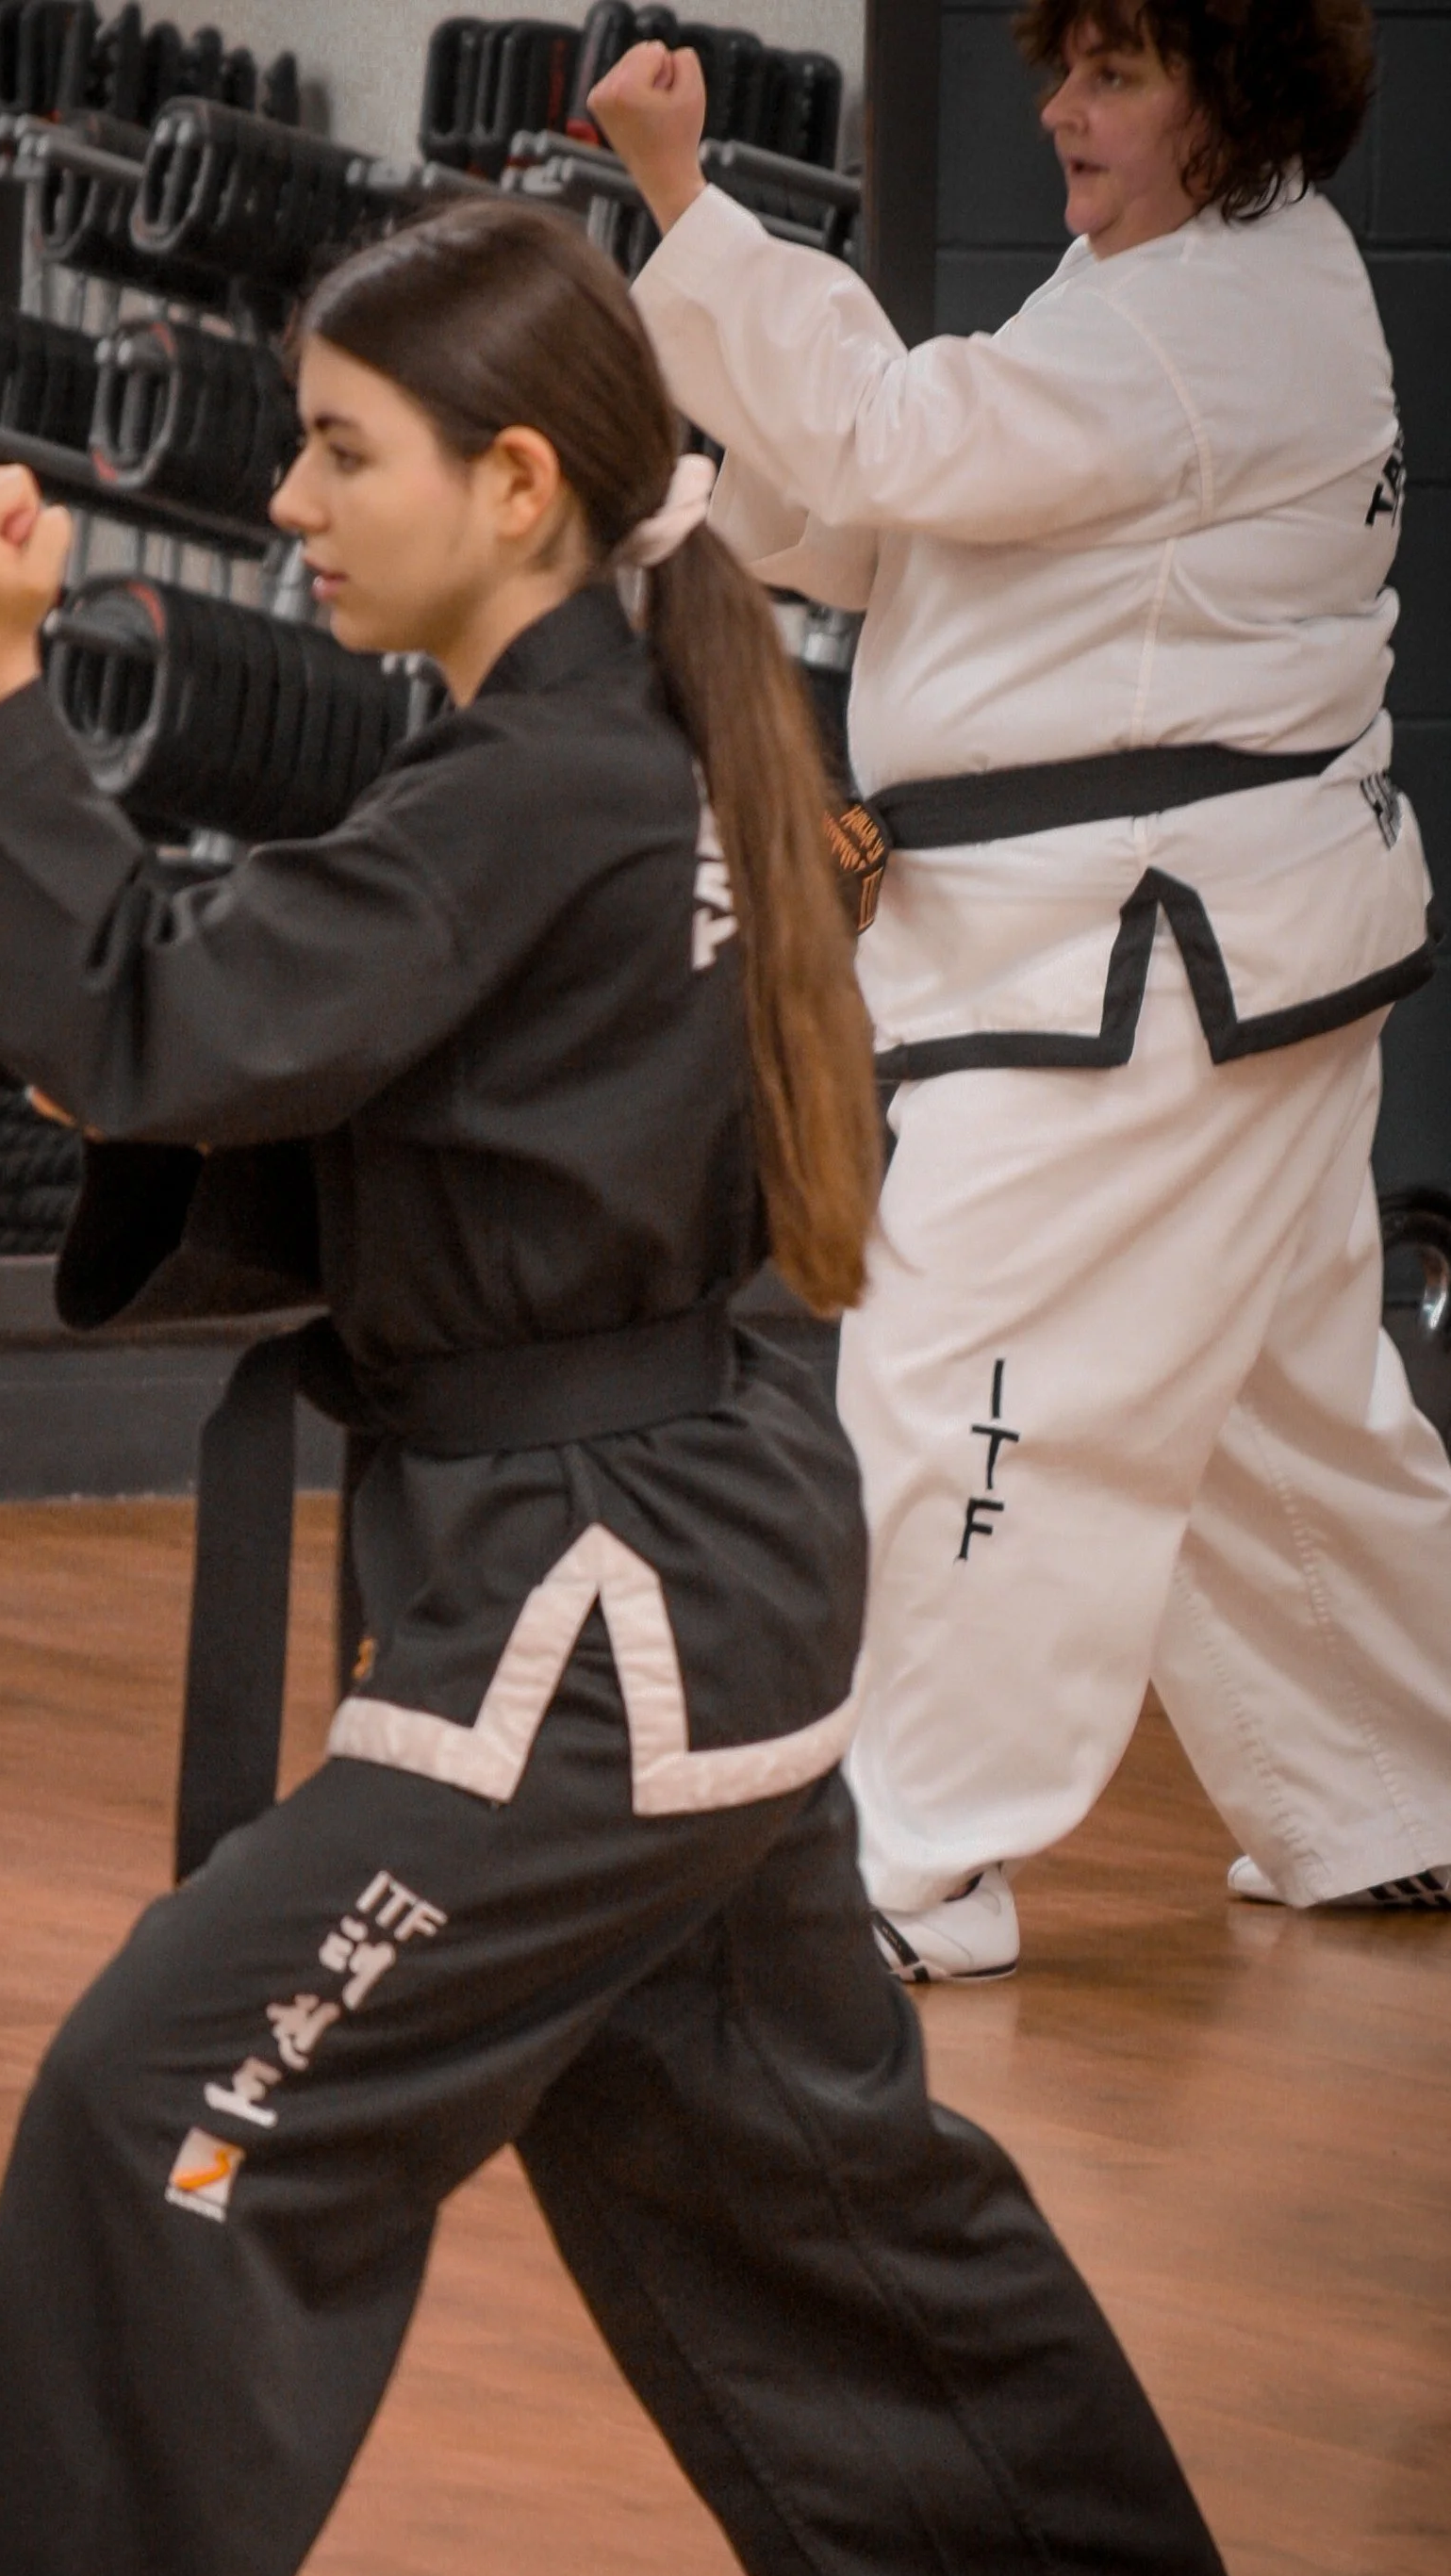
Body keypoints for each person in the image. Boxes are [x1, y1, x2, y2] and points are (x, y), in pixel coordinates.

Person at [0, 200, 1294, 2576]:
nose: (290, 505)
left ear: (516, 481)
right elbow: (338, 1058)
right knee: (778, 2153)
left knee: (180, 2097)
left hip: (591, 1606)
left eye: (340, 451)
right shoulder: (629, 740)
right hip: (696, 1548)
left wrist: (4, 678)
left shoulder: (543, 774)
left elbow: (152, 1003)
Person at [597, 0, 1451, 1981]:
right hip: (1220, 942)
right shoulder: (1180, 280)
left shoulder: (1214, 316)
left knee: (964, 1371)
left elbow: (906, 442)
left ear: (1231, 101)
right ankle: (1407, 1782)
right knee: (1276, 1410)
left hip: (1147, 969)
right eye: (1061, 63)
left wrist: (683, 201)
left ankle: (904, 1852)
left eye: (1119, 74)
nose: (1063, 108)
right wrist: (695, 504)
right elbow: (935, 525)